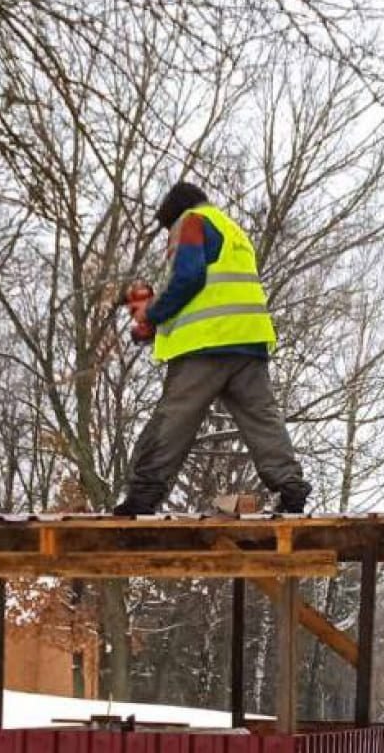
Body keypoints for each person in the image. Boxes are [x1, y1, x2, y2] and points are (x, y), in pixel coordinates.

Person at [113, 181, 310, 516]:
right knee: (261, 419)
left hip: (208, 344)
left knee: (173, 419)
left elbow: (189, 278)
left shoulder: (191, 222)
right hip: (248, 340)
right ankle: (290, 487)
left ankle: (143, 496)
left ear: (173, 214)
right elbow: (217, 289)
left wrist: (153, 314)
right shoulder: (231, 229)